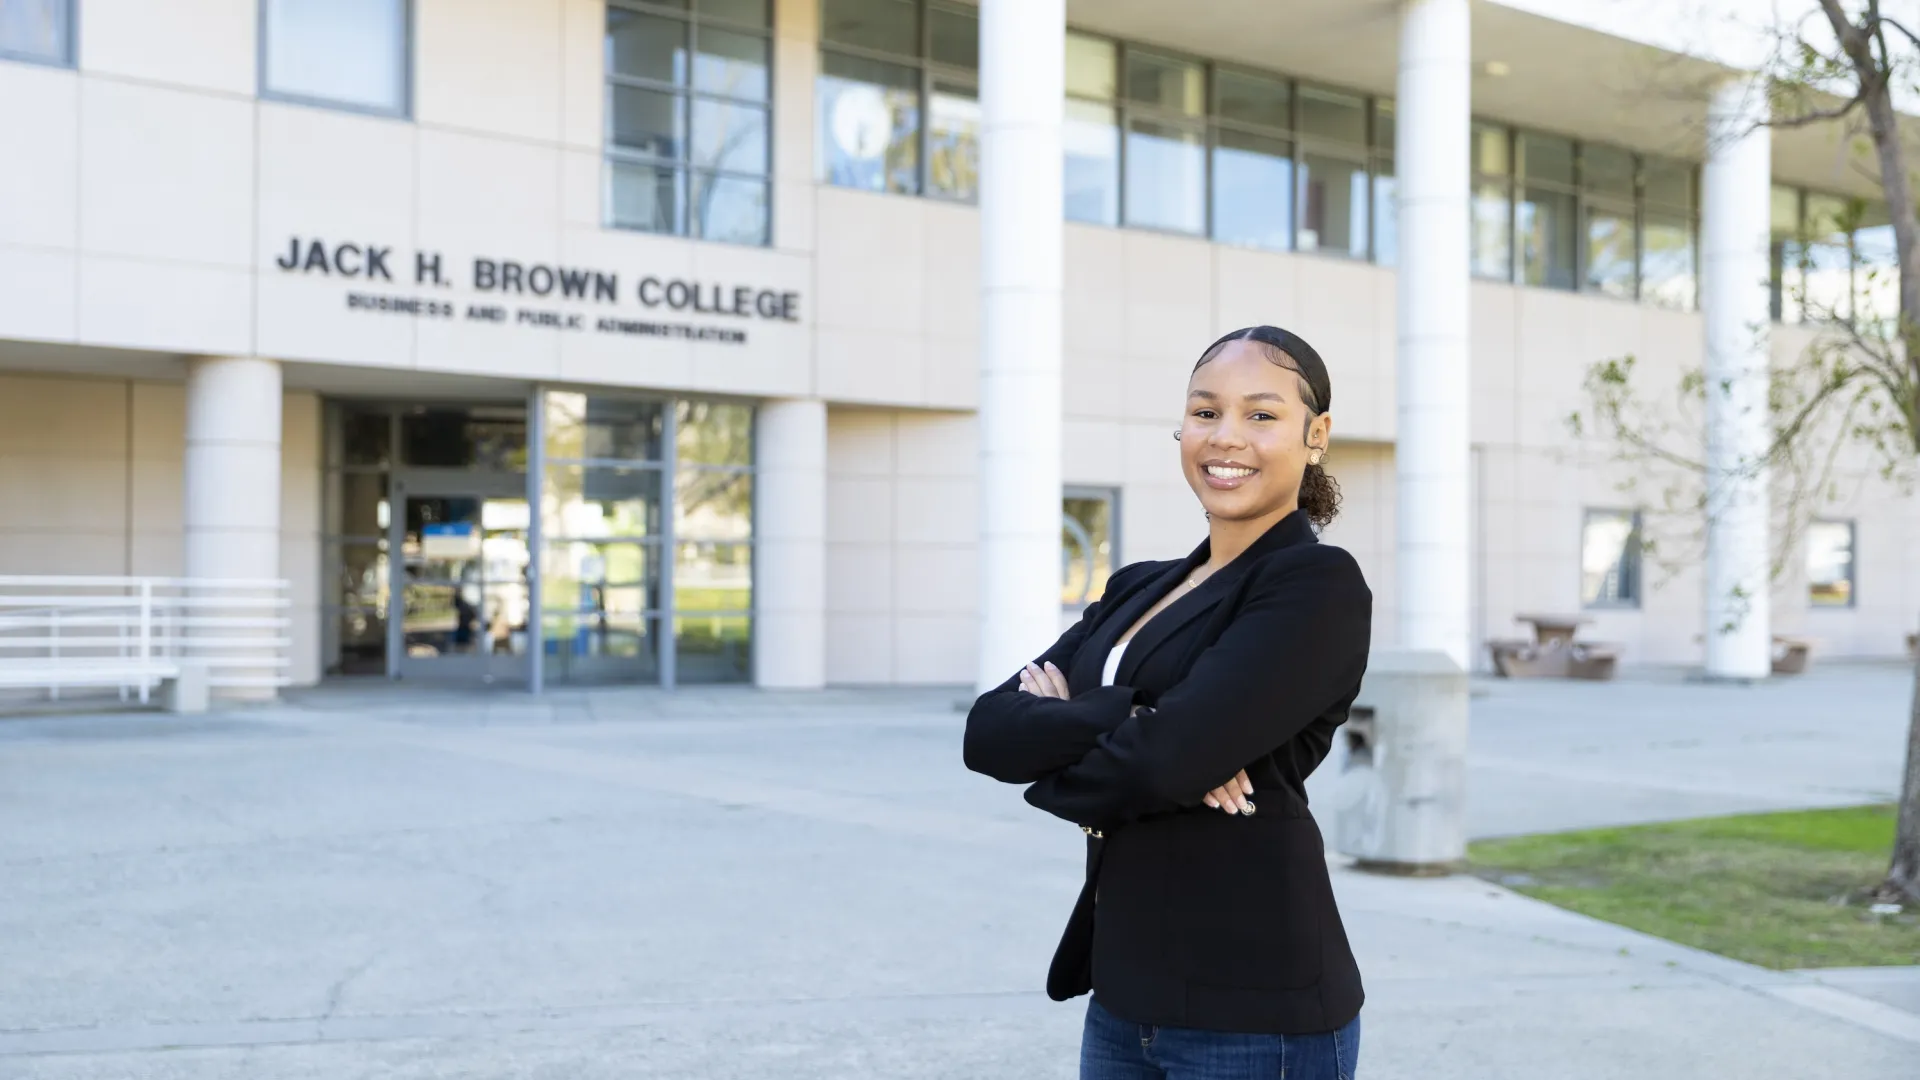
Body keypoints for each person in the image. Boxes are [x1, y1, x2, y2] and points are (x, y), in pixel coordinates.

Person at [963, 325, 1372, 1080]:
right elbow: (988, 732)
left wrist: (1098, 734)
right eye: (1205, 411)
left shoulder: (1316, 586)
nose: (1226, 437)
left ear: (1315, 435)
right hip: (1123, 994)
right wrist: (1136, 720)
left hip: (1257, 1008)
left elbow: (1158, 766)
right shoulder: (1137, 587)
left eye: (1261, 414)